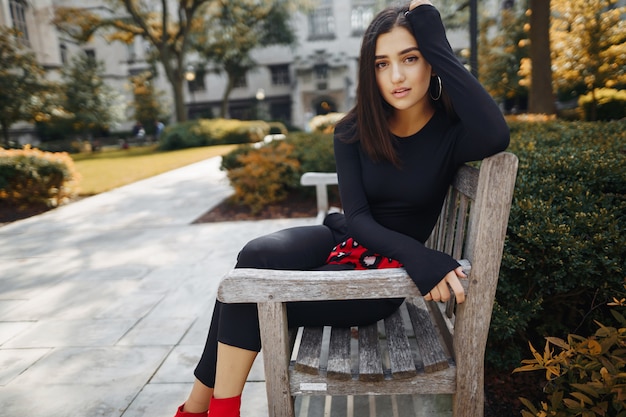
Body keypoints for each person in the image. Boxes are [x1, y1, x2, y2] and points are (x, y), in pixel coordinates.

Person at [173, 1, 509, 416]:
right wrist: (420, 254)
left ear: (431, 62)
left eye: (410, 58)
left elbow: (497, 134)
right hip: (345, 236)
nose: (397, 76)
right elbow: (360, 218)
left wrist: (432, 34)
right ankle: (204, 408)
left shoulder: (451, 133)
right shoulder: (352, 130)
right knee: (254, 258)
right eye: (382, 64)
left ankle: (201, 408)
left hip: (377, 277)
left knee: (250, 292)